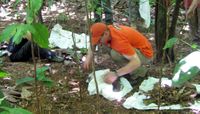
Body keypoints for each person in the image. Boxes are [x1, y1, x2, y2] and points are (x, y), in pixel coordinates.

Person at [83, 22, 153, 87]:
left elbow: (136, 62)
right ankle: (127, 70)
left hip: (144, 54)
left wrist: (116, 74)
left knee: (115, 54)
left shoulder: (119, 41)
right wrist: (88, 57)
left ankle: (139, 74)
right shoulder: (108, 30)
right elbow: (93, 44)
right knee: (107, 48)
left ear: (106, 34)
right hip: (133, 49)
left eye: (98, 40)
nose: (98, 42)